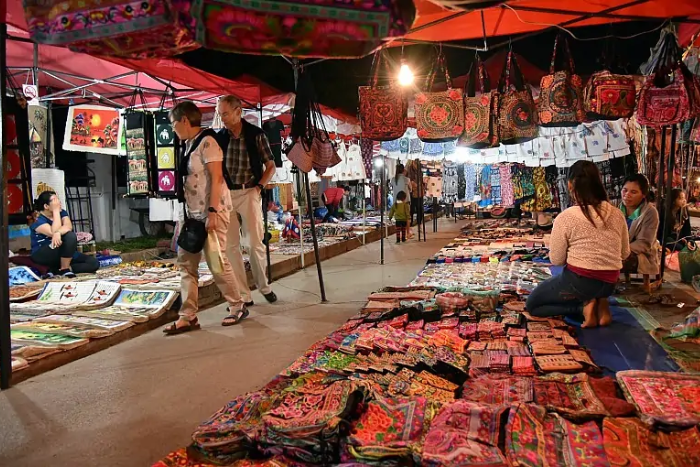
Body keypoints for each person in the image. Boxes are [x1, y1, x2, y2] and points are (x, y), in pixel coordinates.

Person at [164, 101, 246, 335]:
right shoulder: (188, 145)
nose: (172, 129)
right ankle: (187, 316)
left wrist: (211, 212)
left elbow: (217, 178)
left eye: (173, 124)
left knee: (216, 263)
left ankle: (237, 305)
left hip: (212, 212)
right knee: (186, 263)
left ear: (184, 121)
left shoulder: (208, 142)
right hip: (192, 215)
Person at [526, 161, 630, 328]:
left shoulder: (567, 217)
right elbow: (624, 254)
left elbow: (557, 260)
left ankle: (582, 308)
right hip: (610, 282)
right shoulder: (617, 213)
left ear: (570, 184)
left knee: (533, 304)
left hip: (579, 283)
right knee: (592, 284)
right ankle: (600, 302)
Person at [215, 95, 278, 307]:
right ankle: (243, 295)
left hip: (250, 190)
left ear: (238, 111)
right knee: (231, 247)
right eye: (220, 113)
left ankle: (263, 285)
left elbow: (271, 165)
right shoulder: (220, 137)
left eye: (225, 113)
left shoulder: (255, 134)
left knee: (253, 243)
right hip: (227, 195)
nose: (221, 118)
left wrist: (259, 187)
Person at [30, 191, 99, 277]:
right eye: (55, 201)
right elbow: (53, 232)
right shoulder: (37, 219)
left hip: (62, 252)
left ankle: (62, 270)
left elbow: (68, 227)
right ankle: (64, 269)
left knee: (93, 263)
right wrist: (55, 211)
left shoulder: (62, 212)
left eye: (58, 200)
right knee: (68, 237)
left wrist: (58, 232)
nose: (59, 203)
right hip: (44, 252)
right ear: (46, 206)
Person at [620, 174, 660, 291]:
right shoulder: (618, 209)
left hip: (641, 254)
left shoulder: (650, 213)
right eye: (625, 190)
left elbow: (644, 243)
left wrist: (619, 251)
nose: (627, 195)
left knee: (613, 259)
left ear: (643, 195)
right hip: (621, 250)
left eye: (633, 192)